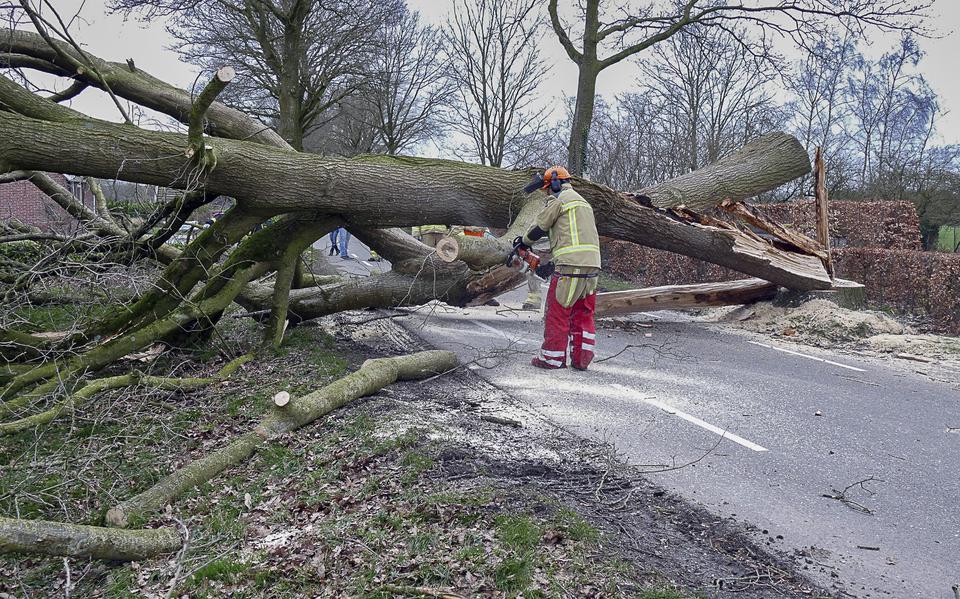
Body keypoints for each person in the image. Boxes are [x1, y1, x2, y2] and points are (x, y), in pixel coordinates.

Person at [515, 166, 601, 371]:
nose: (546, 193)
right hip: (592, 265)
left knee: (558, 312)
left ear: (554, 184)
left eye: (547, 189)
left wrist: (524, 243)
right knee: (584, 313)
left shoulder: (559, 200)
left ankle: (552, 359)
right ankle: (581, 359)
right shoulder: (583, 202)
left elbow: (540, 227)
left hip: (570, 266)